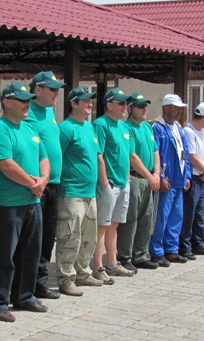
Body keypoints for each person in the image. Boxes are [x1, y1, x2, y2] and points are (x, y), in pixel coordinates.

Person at [0, 82, 50, 322]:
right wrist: (33, 184)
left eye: (28, 100)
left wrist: (43, 179)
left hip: (32, 201)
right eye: (22, 100)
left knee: (31, 252)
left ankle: (24, 296)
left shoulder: (29, 128)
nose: (27, 104)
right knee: (6, 255)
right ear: (7, 102)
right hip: (8, 204)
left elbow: (44, 157)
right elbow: (6, 165)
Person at [54, 87, 104, 296]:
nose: (90, 104)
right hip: (71, 192)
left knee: (88, 237)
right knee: (70, 237)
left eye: (91, 100)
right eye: (85, 101)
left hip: (89, 193)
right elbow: (56, 158)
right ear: (74, 104)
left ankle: (82, 272)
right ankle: (66, 278)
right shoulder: (65, 129)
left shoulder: (89, 127)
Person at [24, 71, 66, 300]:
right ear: (37, 89)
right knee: (33, 238)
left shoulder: (49, 111)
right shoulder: (27, 112)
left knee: (48, 238)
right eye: (52, 89)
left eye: (58, 89)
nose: (56, 93)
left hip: (54, 183)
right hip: (37, 185)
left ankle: (39, 283)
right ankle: (25, 285)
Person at [92, 88, 134, 279]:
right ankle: (98, 267)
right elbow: (98, 154)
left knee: (114, 225)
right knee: (102, 225)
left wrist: (127, 178)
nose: (125, 107)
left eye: (126, 103)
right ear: (109, 105)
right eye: (121, 103)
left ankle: (112, 263)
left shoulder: (124, 127)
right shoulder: (101, 124)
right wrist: (105, 184)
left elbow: (127, 155)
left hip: (123, 183)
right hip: (109, 184)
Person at [117, 94, 160, 271]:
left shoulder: (147, 127)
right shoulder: (127, 127)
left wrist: (156, 173)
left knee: (146, 217)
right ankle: (125, 256)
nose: (144, 110)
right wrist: (150, 176)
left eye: (145, 106)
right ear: (130, 109)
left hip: (149, 177)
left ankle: (140, 255)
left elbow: (156, 151)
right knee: (130, 218)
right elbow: (132, 156)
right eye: (140, 106)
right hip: (135, 177)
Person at [149, 94, 191, 266]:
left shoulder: (179, 128)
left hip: (178, 179)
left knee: (176, 216)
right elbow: (155, 155)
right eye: (176, 108)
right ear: (166, 108)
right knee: (161, 217)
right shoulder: (157, 127)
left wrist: (187, 175)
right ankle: (157, 251)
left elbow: (185, 153)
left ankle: (171, 250)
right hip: (166, 180)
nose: (180, 111)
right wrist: (161, 177)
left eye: (181, 108)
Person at [179, 102, 204, 259]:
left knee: (199, 214)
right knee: (189, 214)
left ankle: (198, 243)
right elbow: (192, 157)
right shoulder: (189, 131)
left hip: (201, 176)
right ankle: (185, 245)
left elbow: (203, 154)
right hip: (193, 176)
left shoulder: (202, 132)